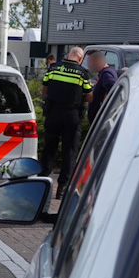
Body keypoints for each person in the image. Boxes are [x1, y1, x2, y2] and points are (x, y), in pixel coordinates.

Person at [40, 46, 92, 199]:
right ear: (80, 59)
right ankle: (62, 189)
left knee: (49, 148)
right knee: (69, 151)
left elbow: (44, 91)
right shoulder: (82, 73)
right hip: (72, 115)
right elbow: (89, 97)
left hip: (53, 113)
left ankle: (42, 183)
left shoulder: (53, 68)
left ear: (69, 55)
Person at [87, 50, 118, 124]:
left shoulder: (106, 74)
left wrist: (103, 109)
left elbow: (113, 90)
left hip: (100, 120)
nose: (89, 65)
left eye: (90, 62)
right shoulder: (105, 72)